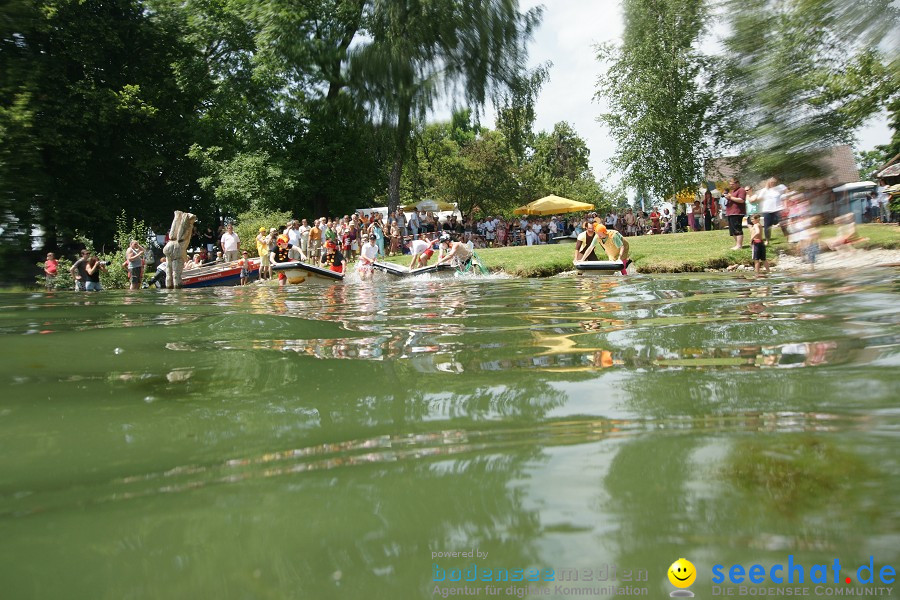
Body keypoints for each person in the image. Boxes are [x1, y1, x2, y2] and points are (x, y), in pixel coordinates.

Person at [724, 177, 746, 249]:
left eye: (732, 184)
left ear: (737, 183)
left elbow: (741, 200)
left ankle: (739, 245)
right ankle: (737, 244)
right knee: (732, 230)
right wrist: (728, 197)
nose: (731, 186)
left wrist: (730, 197)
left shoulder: (741, 190)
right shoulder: (732, 191)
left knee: (737, 229)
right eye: (730, 184)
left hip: (737, 212)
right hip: (730, 212)